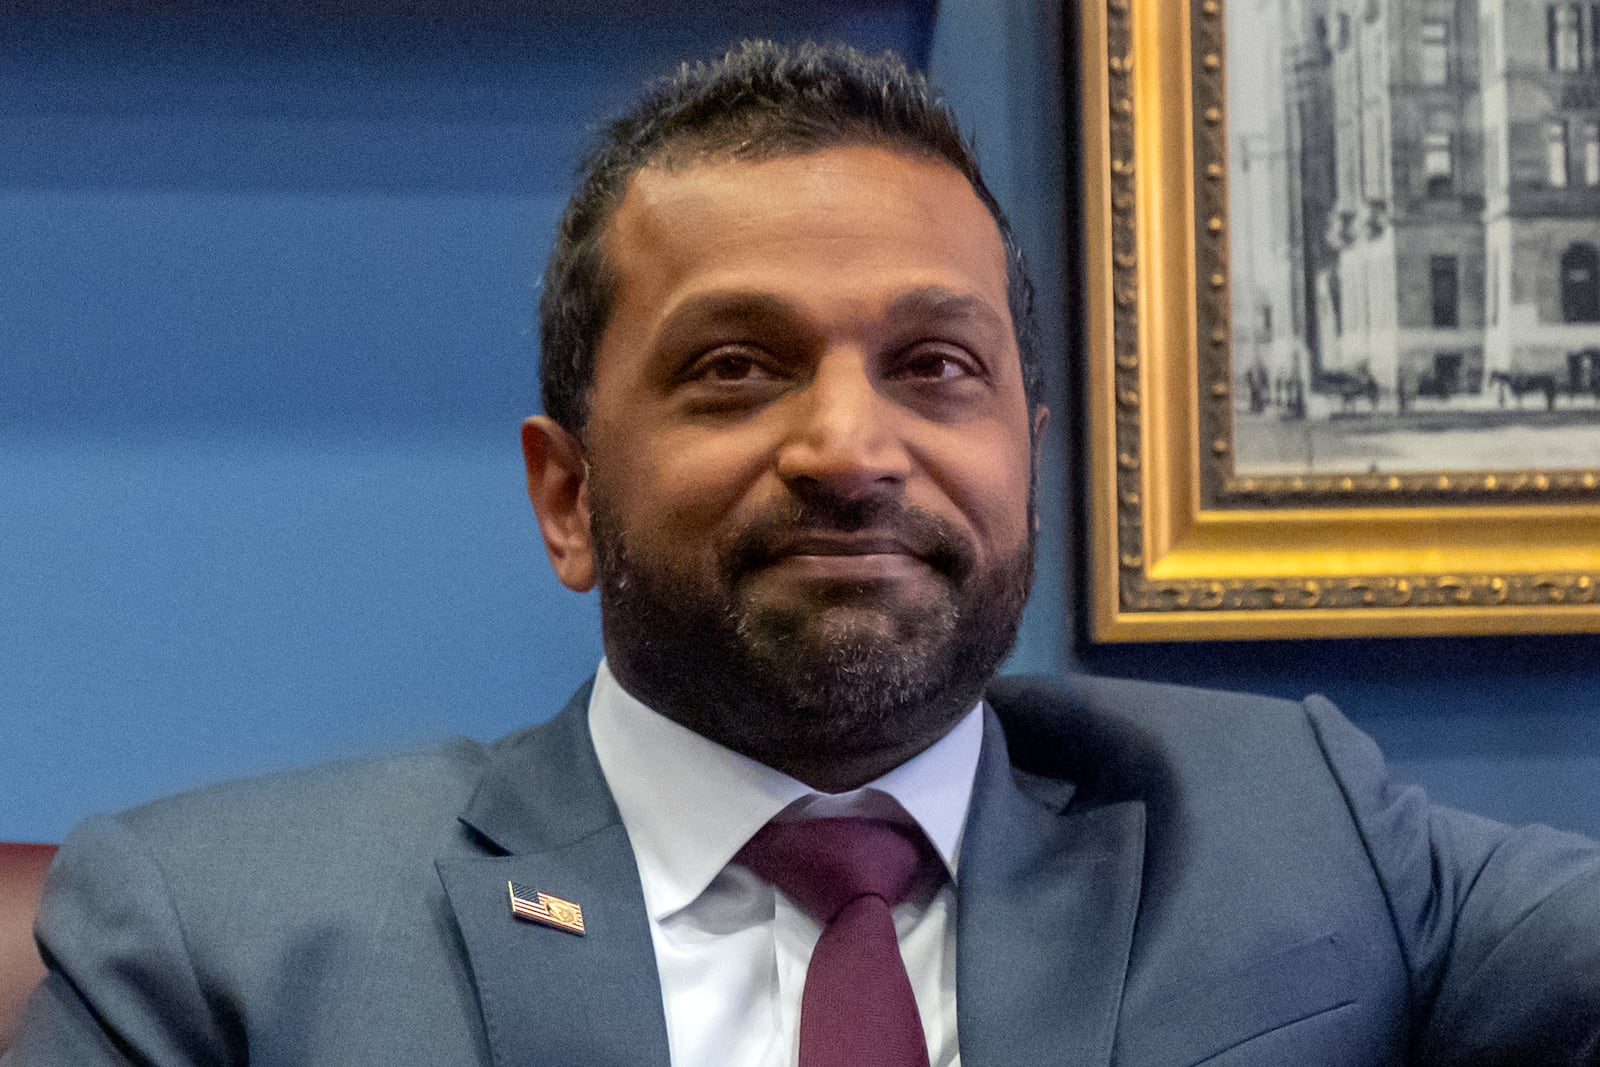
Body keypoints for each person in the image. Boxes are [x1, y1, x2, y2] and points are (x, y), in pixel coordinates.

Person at [7, 40, 1600, 1067]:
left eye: (936, 367)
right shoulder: (221, 941)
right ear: (567, 497)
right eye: (734, 369)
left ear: (1026, 466)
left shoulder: (1295, 825)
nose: (849, 448)